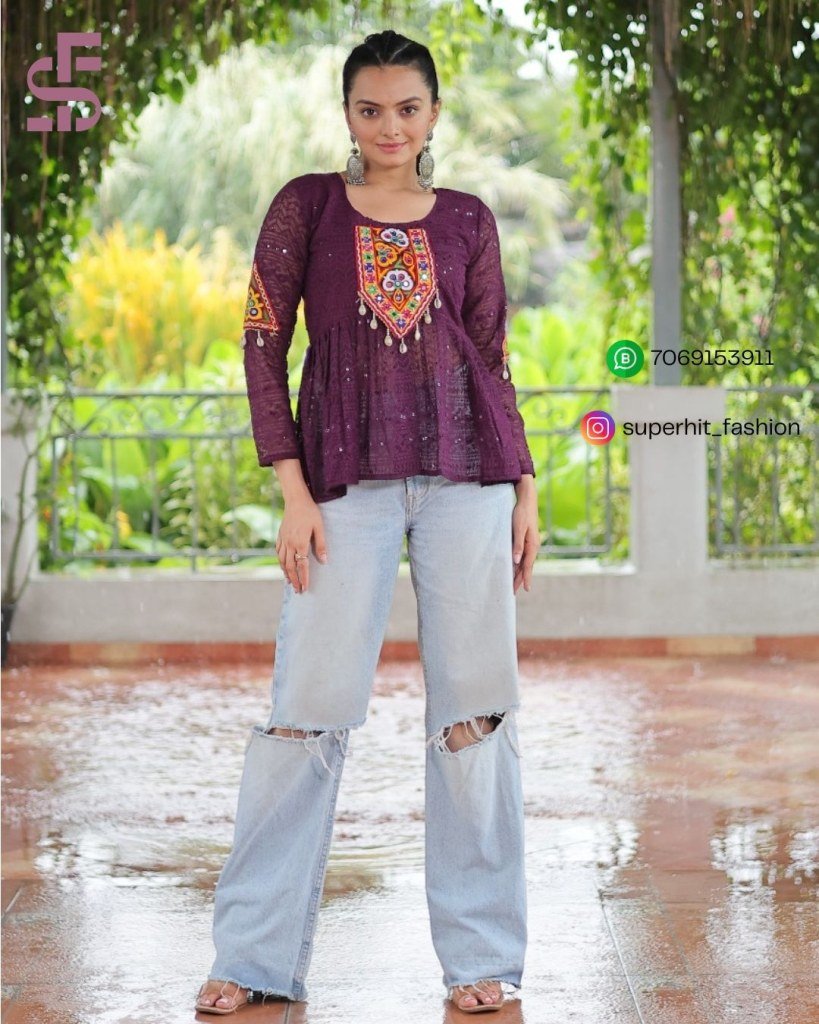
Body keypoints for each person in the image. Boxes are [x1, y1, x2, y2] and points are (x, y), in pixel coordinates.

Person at [195, 28, 540, 1016]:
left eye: (408, 108)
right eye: (371, 109)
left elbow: (490, 356)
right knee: (302, 711)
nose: (391, 127)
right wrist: (292, 488)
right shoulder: (306, 207)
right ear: (347, 114)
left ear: (434, 114)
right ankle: (253, 954)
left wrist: (522, 484)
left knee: (474, 716)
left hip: (469, 482)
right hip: (342, 487)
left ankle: (481, 958)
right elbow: (262, 342)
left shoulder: (468, 219)